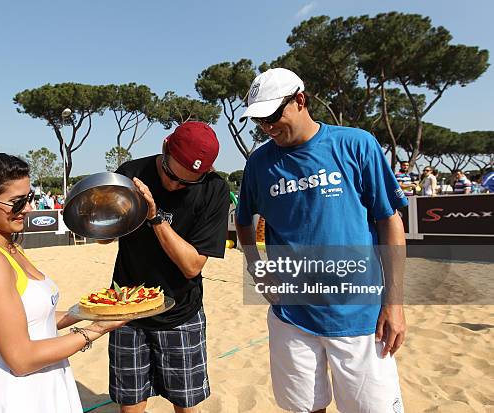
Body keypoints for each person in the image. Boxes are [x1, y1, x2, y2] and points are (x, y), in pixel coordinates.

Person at [236, 68, 407, 413]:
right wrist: (258, 270)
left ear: (300, 100)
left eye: (272, 115)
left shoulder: (355, 144)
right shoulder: (258, 163)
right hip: (290, 316)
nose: (267, 127)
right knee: (304, 408)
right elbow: (243, 223)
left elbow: (390, 221)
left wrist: (395, 303)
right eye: (259, 121)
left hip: (358, 315)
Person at [0, 151, 125, 412]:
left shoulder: (8, 248)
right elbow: (21, 359)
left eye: (28, 198)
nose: (28, 209)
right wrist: (99, 328)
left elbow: (34, 321)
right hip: (19, 394)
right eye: (17, 202)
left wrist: (94, 309)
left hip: (48, 384)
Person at [100, 122, 230, 413]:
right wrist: (116, 211)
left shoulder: (214, 190)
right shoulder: (131, 173)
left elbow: (192, 266)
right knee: (130, 405)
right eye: (171, 174)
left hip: (181, 312)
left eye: (187, 183)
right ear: (165, 148)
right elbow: (103, 239)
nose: (174, 185)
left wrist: (154, 215)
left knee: (186, 404)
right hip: (128, 309)